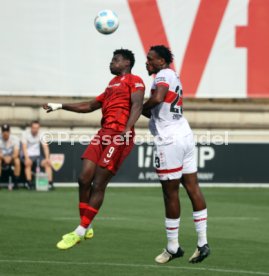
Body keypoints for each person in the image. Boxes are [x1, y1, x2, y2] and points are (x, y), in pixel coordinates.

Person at [43, 48, 145, 250]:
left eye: (115, 60)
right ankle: (86, 225)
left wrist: (126, 129)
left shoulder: (135, 80)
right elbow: (89, 105)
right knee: (83, 178)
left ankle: (80, 231)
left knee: (98, 183)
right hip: (104, 133)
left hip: (120, 135)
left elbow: (137, 105)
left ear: (126, 63)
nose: (111, 63)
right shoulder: (111, 85)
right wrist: (60, 105)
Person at [142, 45, 210, 264]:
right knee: (193, 188)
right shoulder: (173, 75)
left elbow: (158, 97)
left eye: (150, 59)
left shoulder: (162, 75)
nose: (147, 63)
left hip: (169, 141)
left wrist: (141, 109)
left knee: (170, 193)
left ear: (161, 61)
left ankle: (173, 247)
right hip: (184, 134)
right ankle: (202, 243)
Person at [21, 120, 54, 190]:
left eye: (37, 128)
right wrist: (27, 158)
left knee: (47, 164)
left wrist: (47, 158)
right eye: (34, 128)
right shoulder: (25, 134)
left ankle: (50, 183)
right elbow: (24, 148)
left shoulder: (41, 134)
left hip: (38, 156)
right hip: (27, 155)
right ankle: (29, 183)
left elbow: (45, 147)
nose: (35, 130)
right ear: (31, 127)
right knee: (28, 164)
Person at [0, 124, 21, 189]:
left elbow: (16, 152)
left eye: (7, 131)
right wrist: (4, 158)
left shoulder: (15, 139)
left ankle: (16, 183)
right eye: (4, 131)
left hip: (12, 157)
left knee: (17, 161)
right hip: (2, 157)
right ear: (2, 132)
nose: (5, 133)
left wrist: (11, 158)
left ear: (9, 132)